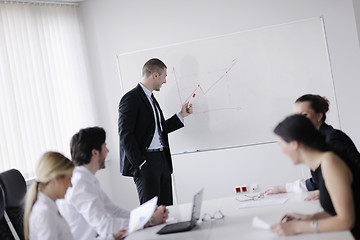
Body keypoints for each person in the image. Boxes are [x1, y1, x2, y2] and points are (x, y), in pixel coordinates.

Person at [57, 127, 168, 240]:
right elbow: (106, 226)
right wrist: (150, 221)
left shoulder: (87, 179)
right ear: (95, 153)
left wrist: (145, 215)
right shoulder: (80, 183)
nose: (107, 151)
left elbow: (114, 211)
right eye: (105, 146)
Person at [118, 58, 193, 206]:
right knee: (151, 212)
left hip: (162, 160)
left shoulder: (151, 98)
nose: (165, 81)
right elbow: (125, 134)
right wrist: (140, 163)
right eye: (164, 76)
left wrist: (181, 115)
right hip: (146, 163)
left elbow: (158, 128)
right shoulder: (131, 98)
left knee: (167, 210)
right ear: (155, 75)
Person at [271, 114, 360, 238]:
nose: (281, 151)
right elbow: (340, 208)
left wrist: (297, 227)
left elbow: (346, 221)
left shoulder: (330, 163)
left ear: (294, 144)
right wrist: (311, 218)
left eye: (281, 145)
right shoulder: (320, 166)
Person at [262, 94, 360, 200]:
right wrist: (283, 188)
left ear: (319, 116)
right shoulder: (314, 141)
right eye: (296, 116)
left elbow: (345, 175)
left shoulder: (332, 138)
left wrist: (331, 190)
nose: (299, 121)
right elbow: (319, 180)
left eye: (304, 115)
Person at [24, 151, 75, 240]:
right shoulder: (45, 214)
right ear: (56, 179)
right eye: (69, 179)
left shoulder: (50, 207)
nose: (71, 185)